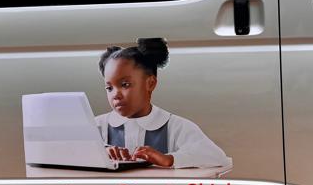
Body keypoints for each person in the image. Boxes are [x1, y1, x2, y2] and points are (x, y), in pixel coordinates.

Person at [96, 38, 231, 169]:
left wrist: (169, 159)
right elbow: (75, 151)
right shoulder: (97, 125)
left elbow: (217, 157)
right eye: (109, 88)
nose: (116, 95)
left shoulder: (175, 126)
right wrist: (100, 154)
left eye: (125, 85)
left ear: (150, 83)